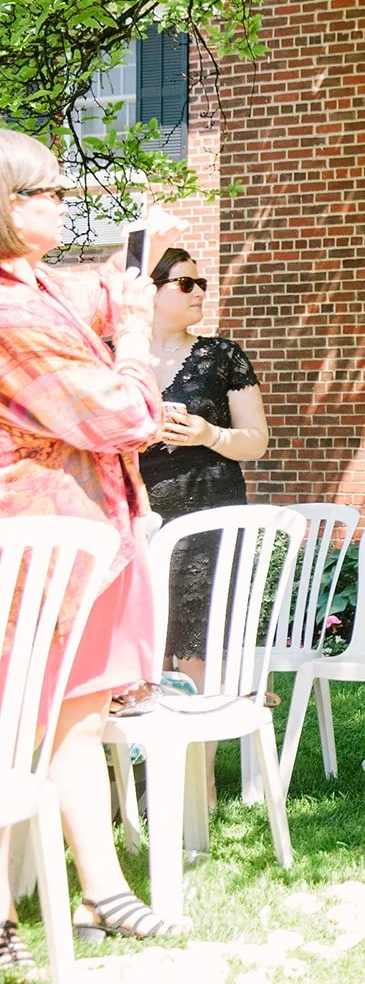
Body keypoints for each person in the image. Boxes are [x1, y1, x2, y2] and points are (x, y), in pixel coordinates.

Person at [0, 128, 187, 969]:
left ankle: (101, 892)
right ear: (9, 206)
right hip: (27, 550)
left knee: (78, 712)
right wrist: (139, 342)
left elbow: (102, 291)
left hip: (83, 541)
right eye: (51, 191)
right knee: (14, 724)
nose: (65, 202)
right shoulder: (8, 310)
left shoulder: (36, 284)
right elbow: (126, 416)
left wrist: (138, 263)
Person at [138, 248, 269, 680]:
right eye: (185, 283)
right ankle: (151, 728)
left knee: (200, 651)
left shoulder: (222, 355)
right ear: (149, 291)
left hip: (209, 517)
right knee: (143, 650)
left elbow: (256, 441)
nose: (199, 292)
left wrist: (208, 434)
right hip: (137, 520)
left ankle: (204, 724)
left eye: (202, 284)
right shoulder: (113, 357)